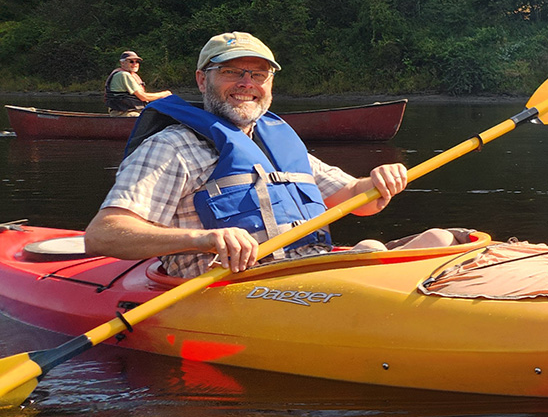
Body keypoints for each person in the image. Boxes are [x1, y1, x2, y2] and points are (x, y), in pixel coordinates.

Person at [84, 31, 455, 277]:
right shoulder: (172, 148)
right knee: (376, 249)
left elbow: (360, 201)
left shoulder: (278, 143)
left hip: (312, 277)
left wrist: (377, 180)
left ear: (270, 84)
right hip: (237, 286)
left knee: (437, 238)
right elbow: (104, 236)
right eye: (232, 72)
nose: (247, 84)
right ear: (202, 80)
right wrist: (203, 240)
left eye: (259, 75)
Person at [105, 50, 172, 116]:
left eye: (137, 62)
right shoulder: (123, 74)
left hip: (131, 110)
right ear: (122, 63)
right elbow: (143, 97)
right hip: (122, 113)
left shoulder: (130, 74)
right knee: (147, 118)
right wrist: (164, 94)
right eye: (131, 61)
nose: (135, 64)